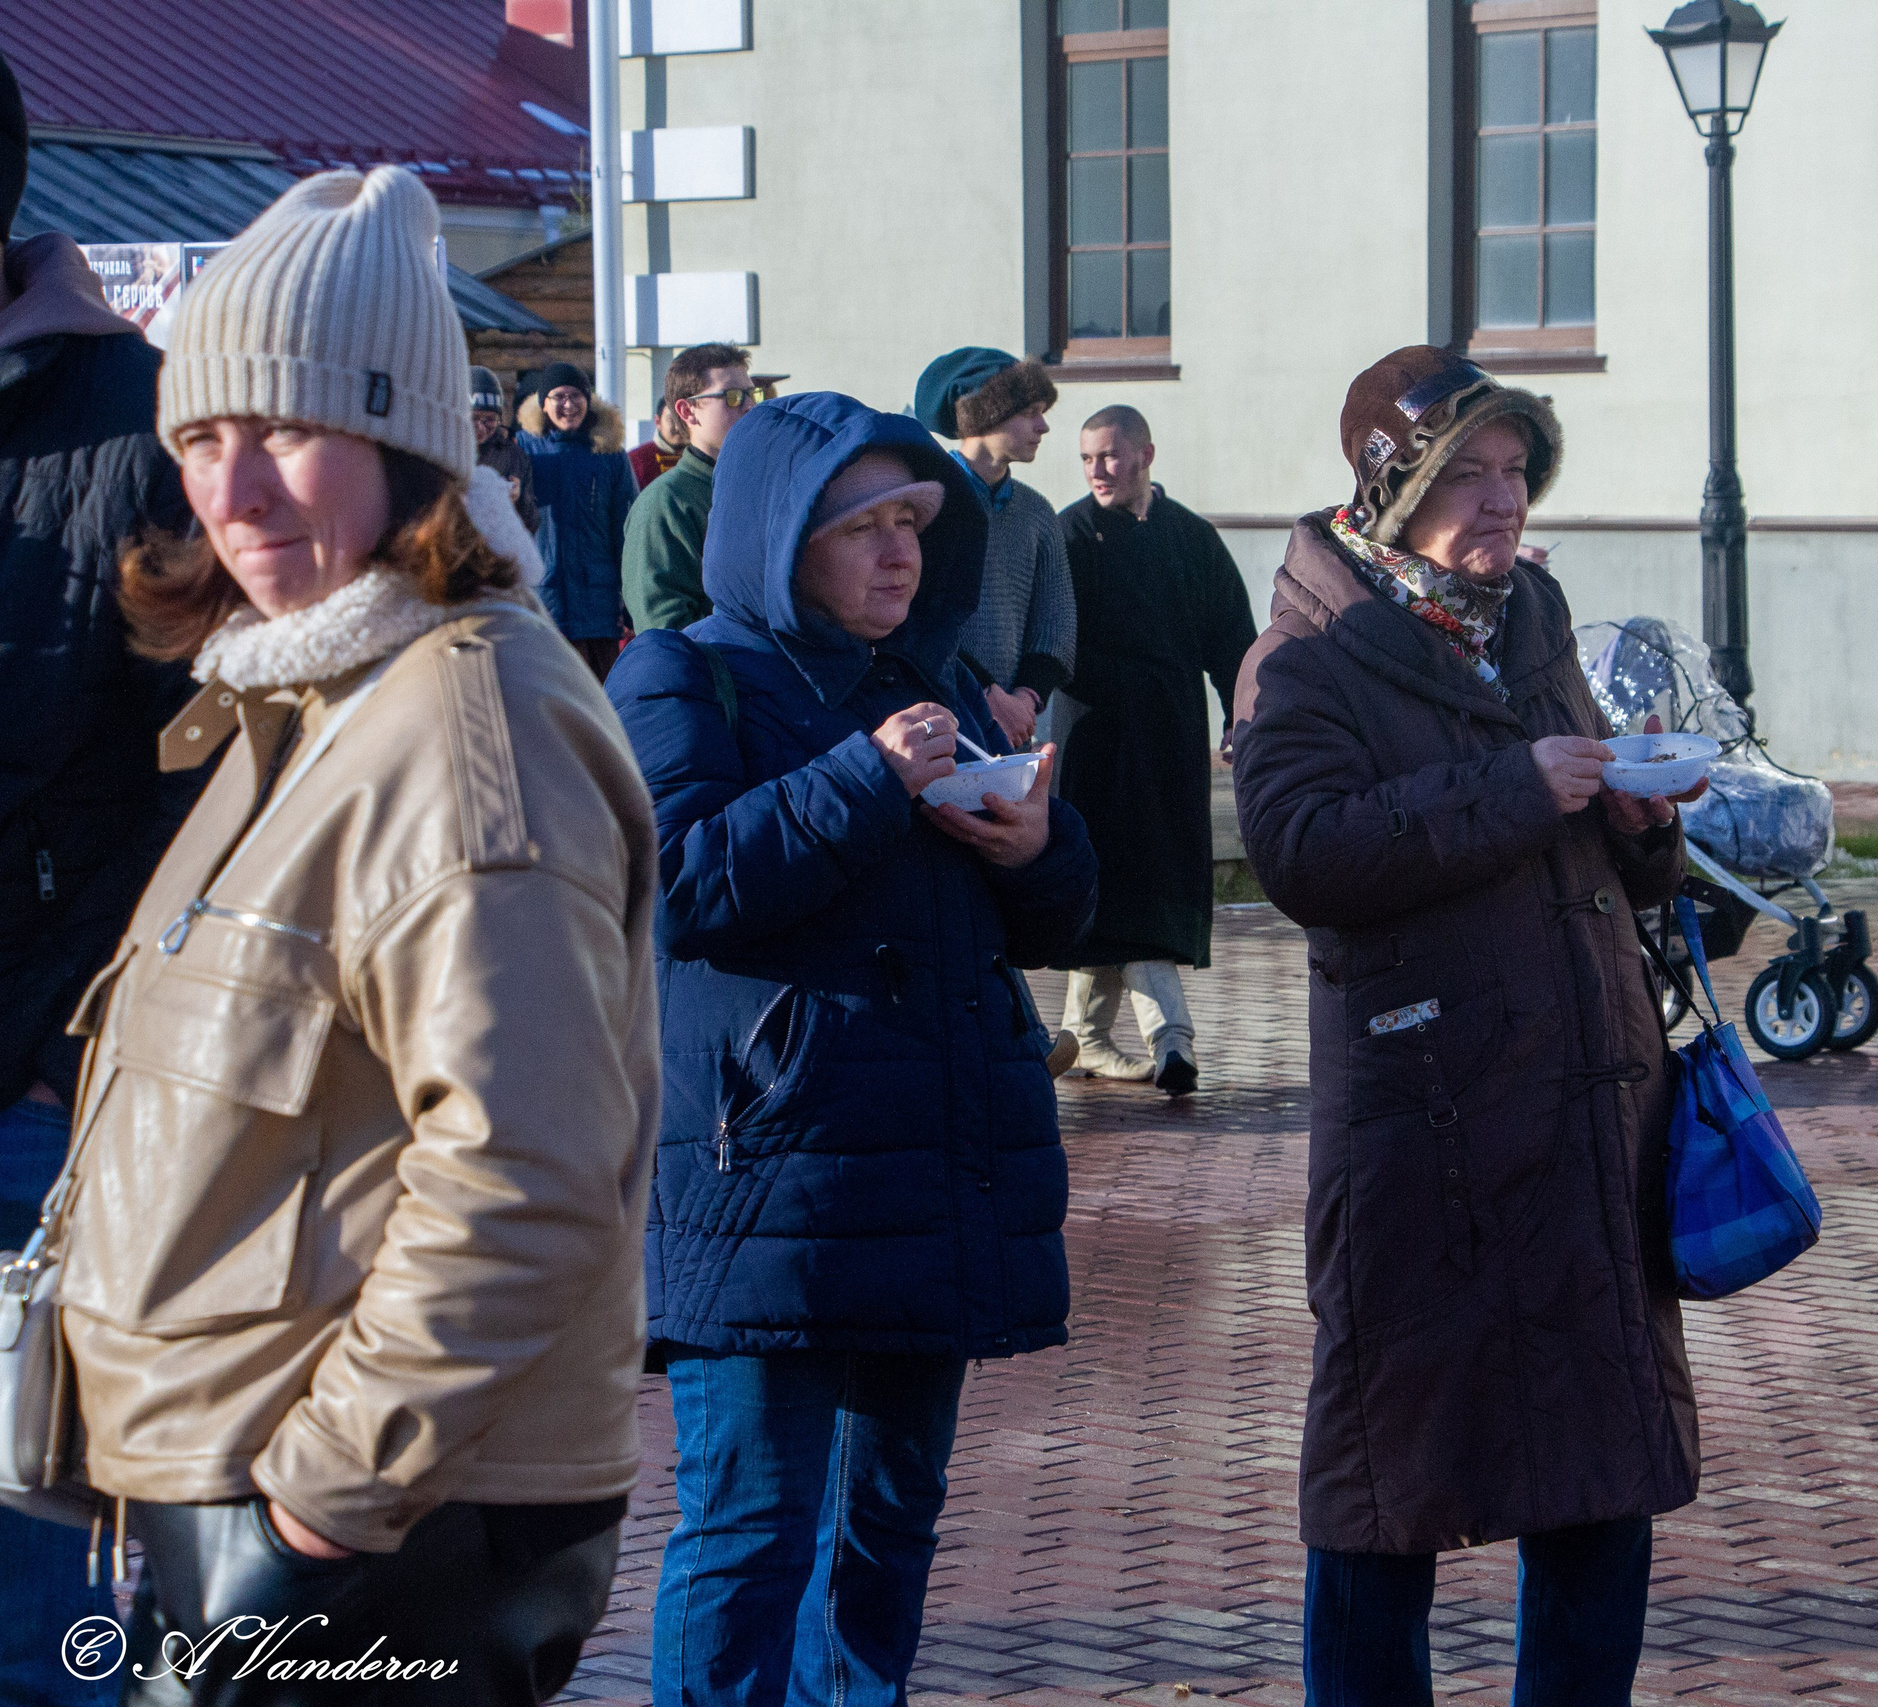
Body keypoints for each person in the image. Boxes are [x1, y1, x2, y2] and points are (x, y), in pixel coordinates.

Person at [60, 166, 656, 1702]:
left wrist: (325, 1499)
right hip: (261, 1489)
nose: (233, 489)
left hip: (374, 1525)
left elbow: (526, 1170)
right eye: (200, 435)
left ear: (413, 450)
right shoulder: (310, 704)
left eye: (289, 431)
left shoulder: (466, 732)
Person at [608, 393, 1098, 1704]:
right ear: (779, 536)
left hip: (930, 1166)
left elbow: (1063, 908)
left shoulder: (936, 684)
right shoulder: (677, 672)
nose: (900, 554)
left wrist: (1038, 839)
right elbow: (680, 880)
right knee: (749, 1528)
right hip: (766, 1178)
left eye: (913, 524)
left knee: (889, 1522)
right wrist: (866, 780)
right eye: (864, 527)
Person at [1231, 346, 1704, 1702]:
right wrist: (1514, 786)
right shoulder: (1306, 658)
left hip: (1588, 1121)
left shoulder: (1535, 620)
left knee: (1602, 1482)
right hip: (1427, 1138)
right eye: (1466, 475)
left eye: (1515, 470)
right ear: (1389, 489)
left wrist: (1641, 823)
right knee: (1393, 1484)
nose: (1501, 502)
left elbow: (1598, 850)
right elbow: (1301, 852)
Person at [0, 51, 204, 1700]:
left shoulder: (127, 420)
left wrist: (88, 1025)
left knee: (31, 1584)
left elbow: (194, 771)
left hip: (32, 1081)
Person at [1053, 405, 1258, 1095]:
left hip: (1169, 737)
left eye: (1109, 456)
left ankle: (1086, 1035)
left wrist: (1241, 714)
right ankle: (1171, 1038)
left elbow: (1233, 636)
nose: (1097, 471)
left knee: (1148, 875)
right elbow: (1050, 636)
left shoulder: (1190, 540)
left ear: (1145, 454)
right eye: (1086, 459)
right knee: (1106, 877)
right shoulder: (1070, 535)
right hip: (1091, 738)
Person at [913, 345, 1076, 747]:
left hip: (1015, 725)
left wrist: (1025, 698)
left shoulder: (1037, 513)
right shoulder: (925, 505)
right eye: (1028, 412)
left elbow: (1056, 624)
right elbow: (916, 615)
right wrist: (985, 693)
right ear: (984, 415)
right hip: (937, 717)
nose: (1043, 426)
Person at [516, 359, 637, 678]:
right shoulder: (524, 450)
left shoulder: (609, 454)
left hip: (598, 602)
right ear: (544, 404)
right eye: (559, 397)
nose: (568, 405)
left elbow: (626, 530)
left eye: (575, 396)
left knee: (604, 696)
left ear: (588, 400)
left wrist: (630, 599)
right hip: (545, 597)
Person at [624, 341, 755, 633]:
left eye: (751, 394)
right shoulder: (666, 503)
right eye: (732, 397)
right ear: (688, 411)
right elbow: (663, 628)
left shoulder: (760, 489)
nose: (749, 405)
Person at [473, 363, 541, 532]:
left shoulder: (513, 456)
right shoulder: (444, 452)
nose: (481, 427)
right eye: (474, 418)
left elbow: (531, 525)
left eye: (489, 419)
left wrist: (518, 500)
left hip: (495, 551)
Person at [632, 394, 686, 491]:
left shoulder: (708, 458)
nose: (678, 427)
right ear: (658, 422)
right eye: (672, 420)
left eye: (684, 420)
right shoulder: (635, 460)